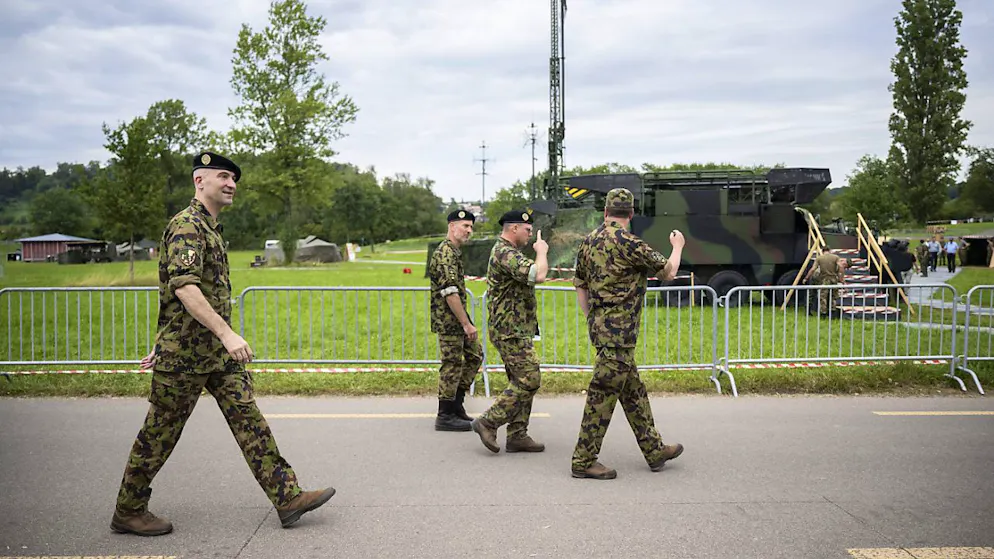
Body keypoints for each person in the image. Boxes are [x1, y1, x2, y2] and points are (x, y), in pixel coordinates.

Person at [110, 152, 334, 537]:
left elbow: (183, 293)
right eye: (223, 176)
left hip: (213, 354)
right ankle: (128, 510)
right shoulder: (187, 226)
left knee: (249, 420)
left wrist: (191, 338)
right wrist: (223, 335)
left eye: (234, 179)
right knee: (160, 433)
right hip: (186, 356)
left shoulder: (210, 228)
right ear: (200, 181)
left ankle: (287, 496)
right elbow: (184, 287)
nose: (231, 184)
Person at [570, 188, 685, 480]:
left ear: (605, 211)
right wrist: (678, 245)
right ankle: (583, 461)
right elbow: (669, 272)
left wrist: (591, 320)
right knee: (602, 394)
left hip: (601, 329)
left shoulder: (588, 242)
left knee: (633, 392)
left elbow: (580, 285)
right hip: (620, 333)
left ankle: (654, 449)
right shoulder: (631, 243)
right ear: (631, 214)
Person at [470, 209, 548, 454]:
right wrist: (542, 252)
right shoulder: (505, 252)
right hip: (509, 330)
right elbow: (539, 274)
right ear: (513, 228)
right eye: (527, 230)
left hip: (515, 328)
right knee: (530, 378)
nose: (530, 234)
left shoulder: (509, 252)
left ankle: (517, 435)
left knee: (520, 381)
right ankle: (488, 421)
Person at [428, 209, 483, 431]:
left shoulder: (453, 252)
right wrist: (466, 324)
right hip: (449, 321)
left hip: (457, 318)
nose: (469, 231)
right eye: (465, 226)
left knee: (474, 356)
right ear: (452, 226)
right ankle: (445, 415)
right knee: (451, 364)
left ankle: (456, 405)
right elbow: (450, 292)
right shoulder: (445, 254)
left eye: (471, 227)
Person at [804, 250, 847, 315]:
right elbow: (840, 268)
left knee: (822, 296)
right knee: (833, 297)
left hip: (822, 279)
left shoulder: (819, 258)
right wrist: (842, 279)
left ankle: (822, 313)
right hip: (833, 280)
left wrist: (806, 278)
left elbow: (813, 269)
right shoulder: (835, 258)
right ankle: (832, 313)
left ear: (822, 251)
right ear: (829, 251)